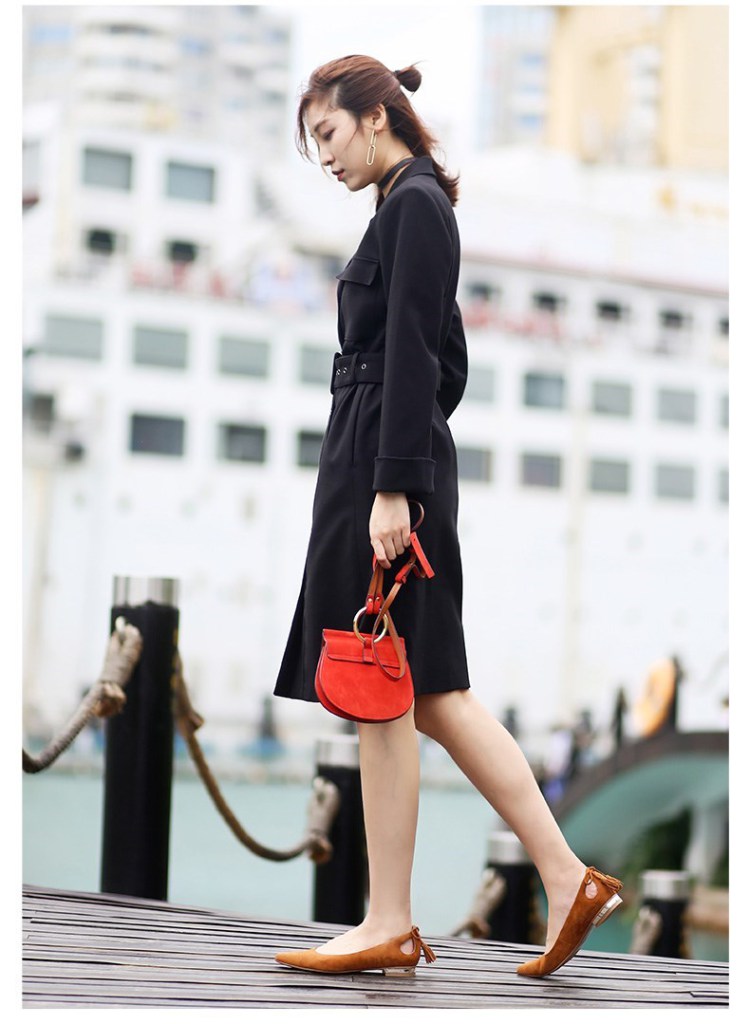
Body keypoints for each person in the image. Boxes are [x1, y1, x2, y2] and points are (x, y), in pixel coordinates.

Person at [273, 54, 622, 979]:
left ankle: (411, 913)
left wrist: (394, 483)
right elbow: (444, 361)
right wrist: (402, 457)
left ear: (376, 115)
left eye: (328, 134)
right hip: (379, 458)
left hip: (380, 471)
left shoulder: (415, 207)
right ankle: (543, 882)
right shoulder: (408, 205)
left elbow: (419, 359)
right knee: (406, 690)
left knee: (394, 683)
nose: (325, 156)